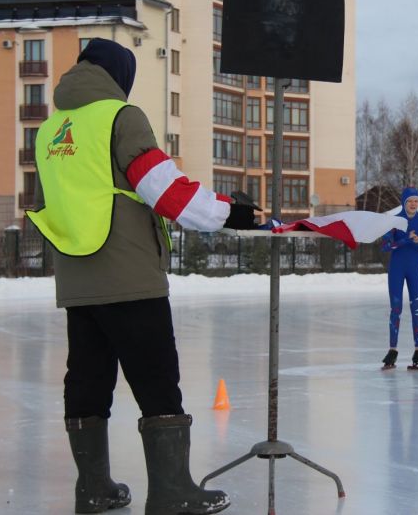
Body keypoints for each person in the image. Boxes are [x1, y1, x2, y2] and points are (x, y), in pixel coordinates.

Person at [28, 38, 251, 514]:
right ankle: (171, 492)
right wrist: (231, 214)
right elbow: (165, 190)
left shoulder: (50, 130)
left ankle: (92, 488)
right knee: (156, 379)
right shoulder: (120, 117)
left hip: (76, 276)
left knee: (88, 379)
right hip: (127, 272)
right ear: (119, 77)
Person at [380, 187, 418, 370]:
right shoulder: (395, 221)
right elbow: (385, 246)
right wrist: (405, 241)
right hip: (397, 269)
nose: (413, 204)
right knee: (395, 309)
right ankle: (392, 350)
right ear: (404, 202)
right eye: (410, 201)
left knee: (417, 308)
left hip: (414, 270)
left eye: (416, 201)